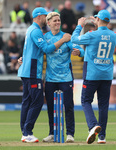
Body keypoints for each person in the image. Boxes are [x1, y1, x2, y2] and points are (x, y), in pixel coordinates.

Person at [17, 7, 71, 143]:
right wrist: (63, 40)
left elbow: (29, 49)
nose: (46, 18)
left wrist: (23, 58)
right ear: (39, 16)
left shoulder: (30, 30)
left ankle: (24, 132)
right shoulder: (36, 31)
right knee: (38, 101)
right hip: (32, 71)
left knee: (27, 102)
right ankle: (27, 132)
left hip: (27, 70)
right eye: (45, 16)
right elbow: (46, 49)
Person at [71, 9, 116, 144]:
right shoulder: (114, 35)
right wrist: (98, 22)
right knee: (103, 105)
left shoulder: (92, 35)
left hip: (92, 74)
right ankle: (102, 137)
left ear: (97, 20)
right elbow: (93, 50)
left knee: (85, 101)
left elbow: (74, 39)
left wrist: (80, 25)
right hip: (107, 74)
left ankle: (92, 126)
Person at [42, 12, 84, 143]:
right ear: (48, 23)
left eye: (59, 20)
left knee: (68, 106)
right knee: (50, 107)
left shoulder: (67, 36)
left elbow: (80, 50)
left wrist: (78, 52)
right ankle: (52, 133)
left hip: (65, 78)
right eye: (54, 21)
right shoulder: (45, 37)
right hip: (50, 78)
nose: (57, 23)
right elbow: (43, 50)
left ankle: (70, 134)